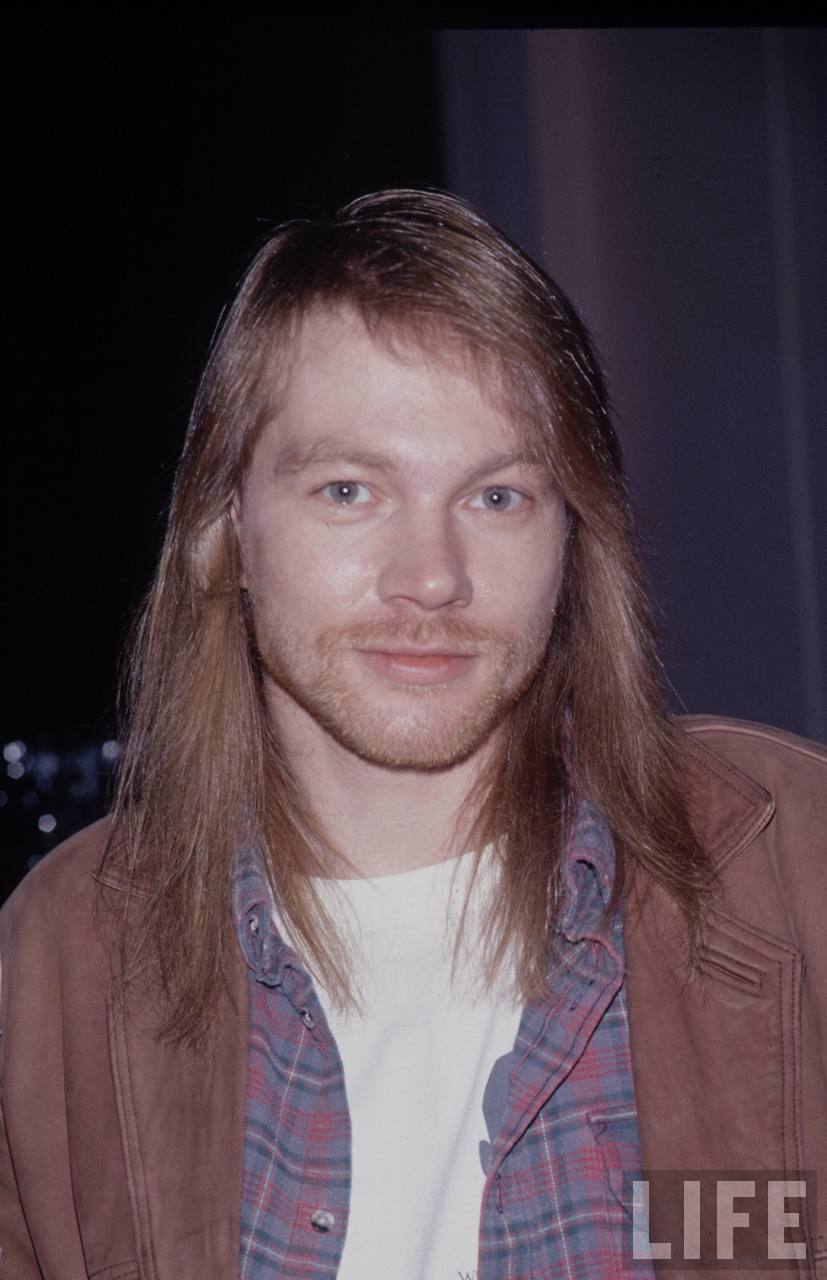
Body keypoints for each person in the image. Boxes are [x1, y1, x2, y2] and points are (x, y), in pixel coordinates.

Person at [1, 189, 825, 1280]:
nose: (431, 577)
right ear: (228, 528)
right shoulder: (60, 957)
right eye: (349, 490)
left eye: (497, 497)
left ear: (572, 538)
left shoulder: (788, 862)